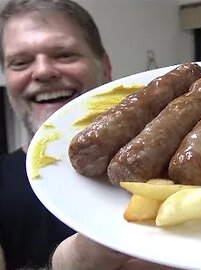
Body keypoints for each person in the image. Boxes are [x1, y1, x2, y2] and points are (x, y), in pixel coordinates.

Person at [0, 1, 170, 269]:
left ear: (104, 67)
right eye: (20, 62)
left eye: (64, 54)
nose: (43, 71)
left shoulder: (173, 160)